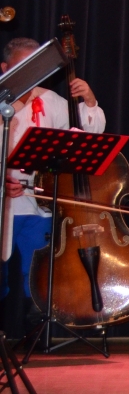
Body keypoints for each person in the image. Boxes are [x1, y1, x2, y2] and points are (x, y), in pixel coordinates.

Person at [1, 37, 105, 302]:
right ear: (4, 68)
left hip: (36, 204)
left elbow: (86, 134)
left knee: (38, 276)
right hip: (3, 204)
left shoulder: (49, 99)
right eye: (22, 67)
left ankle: (38, 322)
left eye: (35, 67)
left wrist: (89, 100)